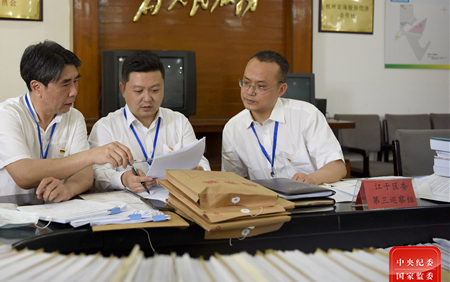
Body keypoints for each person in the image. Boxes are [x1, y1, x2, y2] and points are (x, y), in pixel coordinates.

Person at [0, 40, 133, 202]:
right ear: (36, 87)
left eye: (75, 81)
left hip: (42, 211)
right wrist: (91, 155)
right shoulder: (5, 115)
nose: (74, 91)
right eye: (65, 84)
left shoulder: (74, 117)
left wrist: (68, 189)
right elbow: (24, 175)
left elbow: (84, 173)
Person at [89, 50, 210, 193]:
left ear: (163, 86)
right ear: (123, 89)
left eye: (155, 90)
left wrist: (200, 171)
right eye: (138, 91)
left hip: (173, 199)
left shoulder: (179, 121)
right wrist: (123, 179)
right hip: (128, 201)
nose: (147, 98)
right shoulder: (105, 127)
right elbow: (97, 173)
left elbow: (199, 160)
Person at [221, 50, 345, 185]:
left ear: (281, 90)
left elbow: (337, 167)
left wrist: (313, 179)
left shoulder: (307, 115)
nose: (250, 92)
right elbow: (231, 180)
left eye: (260, 86)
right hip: (265, 198)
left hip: (307, 194)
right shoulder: (233, 128)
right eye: (246, 83)